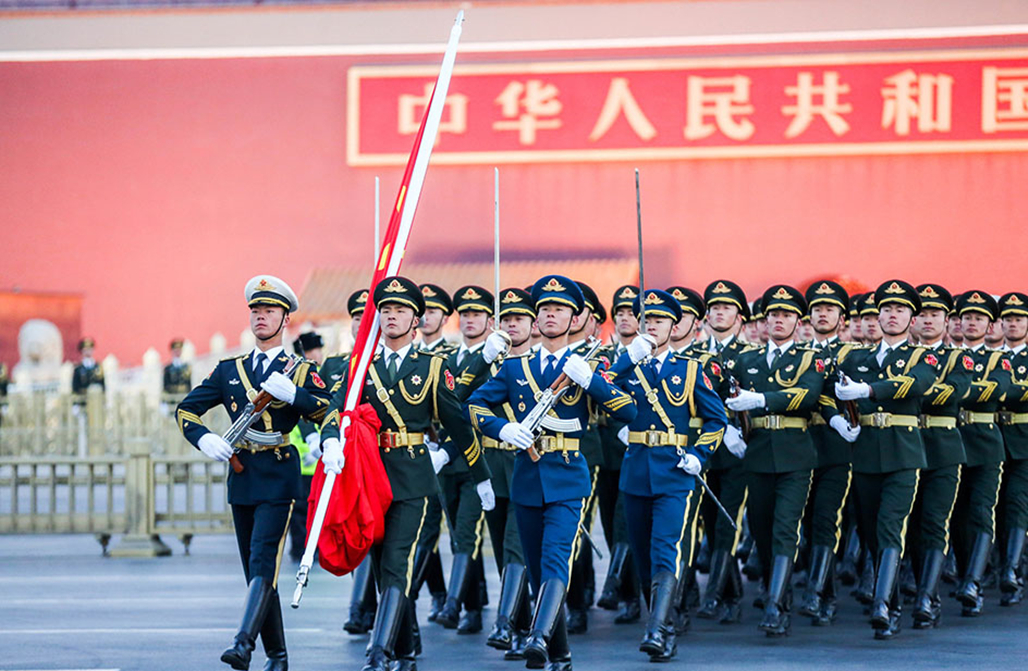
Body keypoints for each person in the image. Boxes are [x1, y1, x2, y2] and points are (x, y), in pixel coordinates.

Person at [318, 276, 492, 671]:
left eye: (400, 311)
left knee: (398, 561)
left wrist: (480, 475)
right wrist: (330, 440)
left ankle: (378, 652)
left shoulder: (432, 367)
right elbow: (335, 409)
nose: (391, 317)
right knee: (380, 564)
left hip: (413, 477)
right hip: (369, 476)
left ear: (416, 320)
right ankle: (405, 647)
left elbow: (459, 424)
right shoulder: (360, 367)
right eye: (386, 311)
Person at [466, 275, 637, 671]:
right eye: (543, 308)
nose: (549, 314)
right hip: (526, 474)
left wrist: (590, 380)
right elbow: (474, 405)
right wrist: (503, 428)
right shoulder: (515, 367)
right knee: (539, 567)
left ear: (575, 317)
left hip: (566, 474)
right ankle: (560, 654)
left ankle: (538, 636)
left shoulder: (590, 363)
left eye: (559, 309)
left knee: (557, 558)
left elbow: (628, 410)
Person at [176, 275, 331, 671]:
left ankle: (243, 644)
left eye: (270, 311)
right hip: (241, 474)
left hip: (279, 474)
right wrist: (205, 439)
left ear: (285, 319)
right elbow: (186, 410)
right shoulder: (230, 370)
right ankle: (278, 656)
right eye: (256, 311)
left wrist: (295, 395)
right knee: (256, 572)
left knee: (264, 559)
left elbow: (329, 411)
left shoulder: (298, 370)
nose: (261, 317)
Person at [608, 289, 727, 661]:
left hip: (675, 472)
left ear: (674, 326)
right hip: (636, 470)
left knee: (666, 550)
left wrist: (699, 453)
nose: (651, 326)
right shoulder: (625, 364)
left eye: (659, 320)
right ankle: (665, 620)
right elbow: (600, 388)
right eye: (646, 320)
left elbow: (716, 419)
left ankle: (657, 629)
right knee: (643, 555)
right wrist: (629, 360)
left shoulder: (690, 369)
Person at [836, 280, 938, 640]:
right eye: (887, 310)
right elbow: (836, 393)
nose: (892, 315)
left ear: (912, 319)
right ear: (877, 316)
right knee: (869, 531)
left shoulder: (922, 356)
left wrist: (869, 391)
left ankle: (881, 604)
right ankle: (891, 604)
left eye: (900, 310)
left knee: (890, 526)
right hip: (865, 454)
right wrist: (839, 416)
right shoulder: (856, 358)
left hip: (902, 453)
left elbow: (914, 384)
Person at [725, 285, 824, 637]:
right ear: (765, 321)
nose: (779, 320)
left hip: (795, 453)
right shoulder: (746, 360)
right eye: (773, 315)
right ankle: (775, 587)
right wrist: (727, 429)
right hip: (757, 451)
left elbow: (807, 395)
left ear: (798, 322)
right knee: (762, 528)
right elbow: (724, 395)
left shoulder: (810, 358)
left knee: (786, 527)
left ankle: (775, 604)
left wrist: (761, 398)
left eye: (786, 315)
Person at [904, 284, 969, 628]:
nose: (928, 321)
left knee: (934, 521)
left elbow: (955, 391)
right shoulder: (898, 358)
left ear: (947, 321)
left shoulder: (958, 357)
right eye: (924, 314)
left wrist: (907, 390)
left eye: (936, 315)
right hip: (906, 445)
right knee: (911, 525)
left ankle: (927, 596)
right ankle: (919, 586)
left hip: (943, 447)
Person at [435, 285, 499, 634]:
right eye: (466, 314)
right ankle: (473, 607)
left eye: (478, 314)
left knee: (467, 532)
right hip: (446, 462)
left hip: (479, 457)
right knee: (458, 537)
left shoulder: (497, 361)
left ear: (490, 320)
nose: (470, 320)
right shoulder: (444, 360)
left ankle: (453, 604)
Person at [797, 280, 859, 627]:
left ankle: (816, 592)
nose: (823, 314)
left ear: (842, 318)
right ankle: (826, 592)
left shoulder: (853, 355)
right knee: (803, 521)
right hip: (801, 445)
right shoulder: (799, 354)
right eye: (817, 309)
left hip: (837, 446)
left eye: (830, 309)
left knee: (826, 518)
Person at [691, 280, 750, 625]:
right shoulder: (694, 354)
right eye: (714, 307)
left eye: (726, 307)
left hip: (738, 452)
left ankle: (714, 594)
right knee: (710, 523)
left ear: (739, 317)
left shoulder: (749, 355)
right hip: (704, 449)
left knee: (728, 520)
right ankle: (732, 592)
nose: (718, 312)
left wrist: (737, 429)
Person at [951, 290, 1011, 617]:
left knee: (980, 511)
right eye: (967, 317)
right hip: (953, 440)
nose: (972, 323)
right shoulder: (945, 357)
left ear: (990, 326)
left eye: (979, 318)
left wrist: (954, 391)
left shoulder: (999, 360)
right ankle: (965, 574)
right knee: (957, 516)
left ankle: (974, 581)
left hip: (986, 442)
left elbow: (998, 389)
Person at [595, 286, 642, 622]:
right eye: (620, 312)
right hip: (605, 452)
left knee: (628, 523)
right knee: (610, 524)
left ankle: (623, 590)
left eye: (631, 312)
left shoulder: (648, 354)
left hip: (637, 450)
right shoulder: (602, 355)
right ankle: (626, 590)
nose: (625, 318)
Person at [997, 291, 1028, 606]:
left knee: (1018, 504)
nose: (1013, 324)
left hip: (1025, 438)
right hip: (994, 438)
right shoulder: (992, 358)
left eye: (1019, 319)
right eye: (1008, 319)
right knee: (994, 506)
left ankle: (1012, 570)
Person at [286, 331, 326, 563]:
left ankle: (317, 545)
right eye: (314, 350)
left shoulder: (321, 376)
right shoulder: (296, 378)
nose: (319, 354)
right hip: (301, 456)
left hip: (319, 454)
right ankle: (300, 547)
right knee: (300, 507)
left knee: (320, 505)